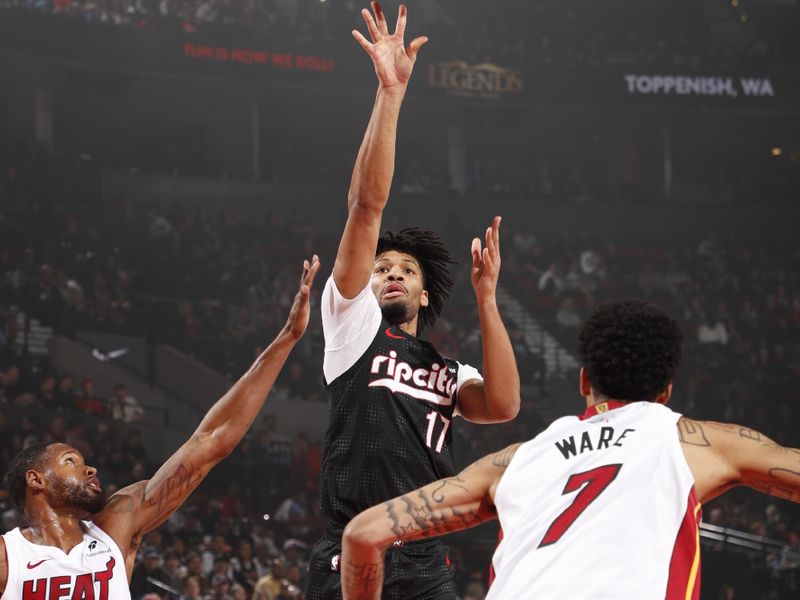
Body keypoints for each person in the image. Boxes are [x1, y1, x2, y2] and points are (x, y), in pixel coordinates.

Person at [340, 299, 800, 599]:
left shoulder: (514, 460)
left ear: (583, 382)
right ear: (666, 391)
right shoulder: (695, 440)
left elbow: (362, 534)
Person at [306, 4, 521, 599]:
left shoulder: (449, 371)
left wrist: (487, 296)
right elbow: (366, 208)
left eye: (405, 270)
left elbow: (503, 405)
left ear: (425, 293)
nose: (391, 274)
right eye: (381, 268)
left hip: (425, 558)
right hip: (350, 548)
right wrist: (390, 93)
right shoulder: (351, 329)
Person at [0, 256, 320, 599]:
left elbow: (211, 440)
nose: (90, 468)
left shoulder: (116, 526)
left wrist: (287, 337)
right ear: (35, 480)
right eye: (70, 461)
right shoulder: (10, 558)